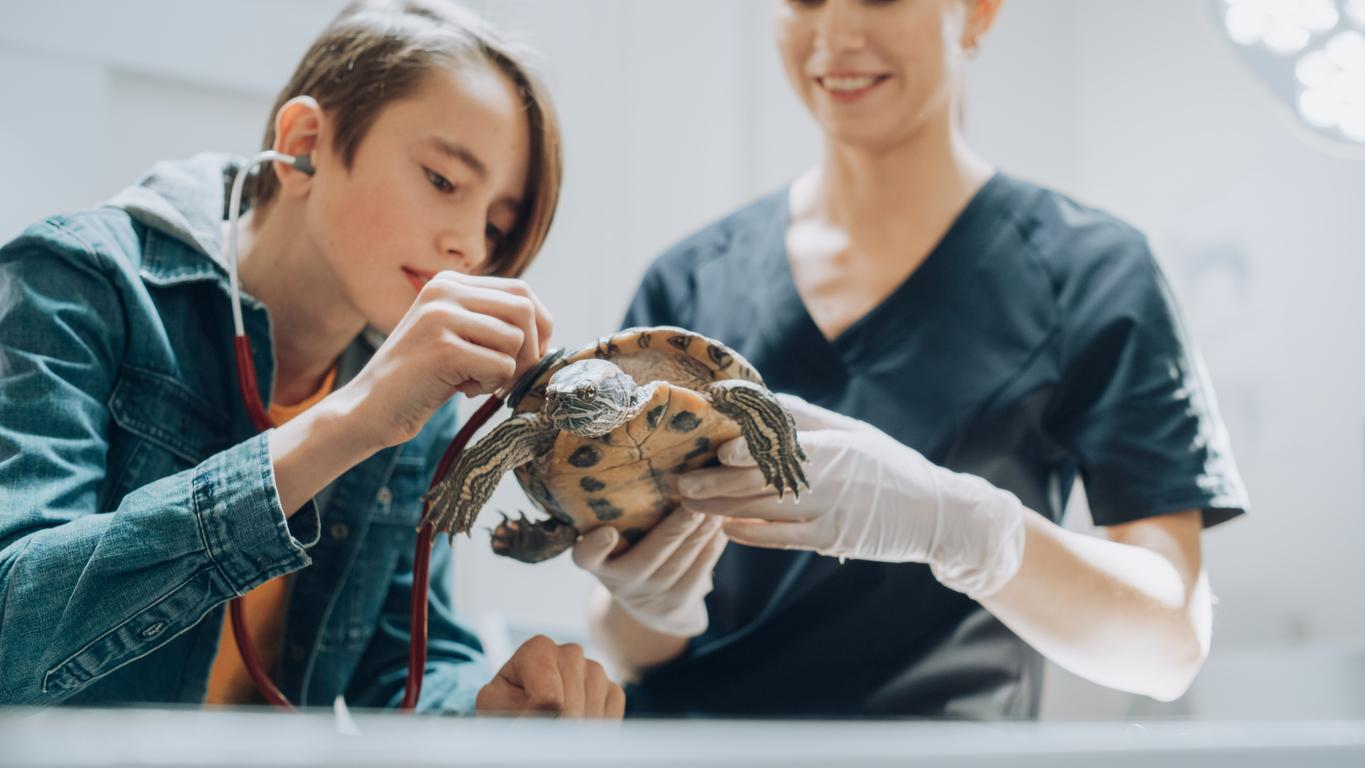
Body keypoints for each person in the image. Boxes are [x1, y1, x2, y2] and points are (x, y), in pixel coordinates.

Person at [571, 0, 1249, 718]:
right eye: (802, 0)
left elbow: (1167, 644)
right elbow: (622, 650)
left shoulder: (1091, 274)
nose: (833, 36)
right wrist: (652, 604)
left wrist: (961, 527)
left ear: (978, 14)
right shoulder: (690, 283)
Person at [0, 0, 623, 718]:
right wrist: (347, 423)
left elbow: (395, 666)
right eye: (443, 181)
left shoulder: (411, 390)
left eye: (496, 224)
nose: (471, 247)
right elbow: (14, 631)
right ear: (303, 144)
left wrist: (490, 714)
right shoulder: (75, 282)